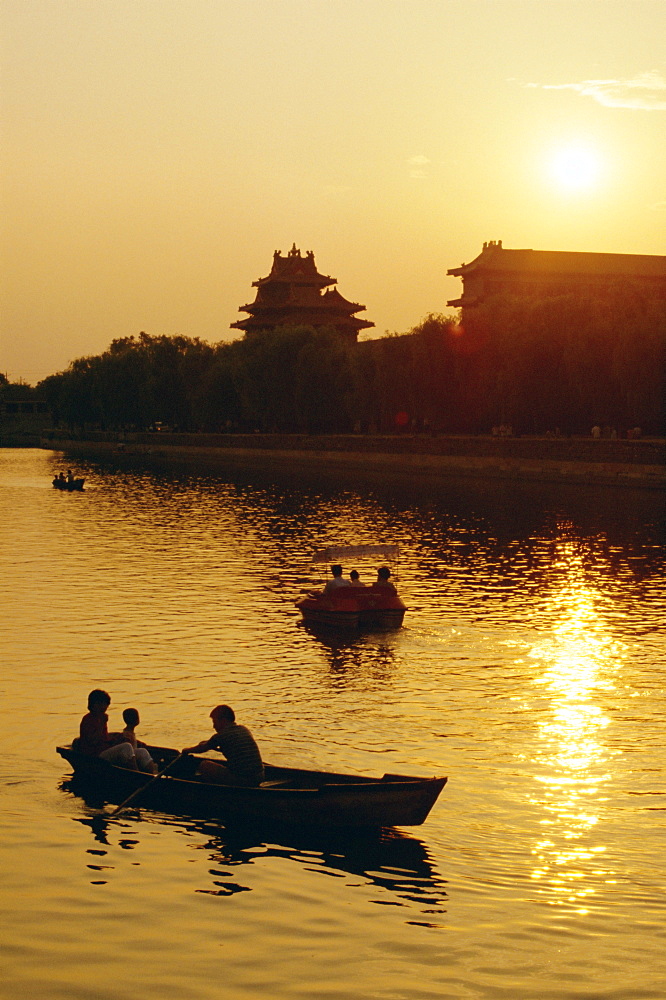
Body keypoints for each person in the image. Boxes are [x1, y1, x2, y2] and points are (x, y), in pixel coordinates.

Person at [181, 705, 264, 786]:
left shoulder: (221, 736)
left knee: (204, 765)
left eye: (215, 722)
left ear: (223, 720)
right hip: (260, 776)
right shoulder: (243, 729)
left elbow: (202, 748)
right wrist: (207, 744)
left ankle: (211, 790)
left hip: (243, 779)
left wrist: (187, 750)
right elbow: (228, 746)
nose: (214, 726)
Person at [78, 689, 138, 768]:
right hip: (96, 755)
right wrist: (101, 724)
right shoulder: (88, 719)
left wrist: (117, 738)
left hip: (104, 749)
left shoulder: (101, 718)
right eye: (103, 704)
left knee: (141, 752)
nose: (105, 707)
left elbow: (104, 738)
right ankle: (135, 771)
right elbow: (93, 741)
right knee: (126, 747)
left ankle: (153, 771)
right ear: (95, 705)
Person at [121, 708, 158, 773]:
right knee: (143, 752)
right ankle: (153, 771)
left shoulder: (128, 732)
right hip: (133, 757)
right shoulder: (128, 735)